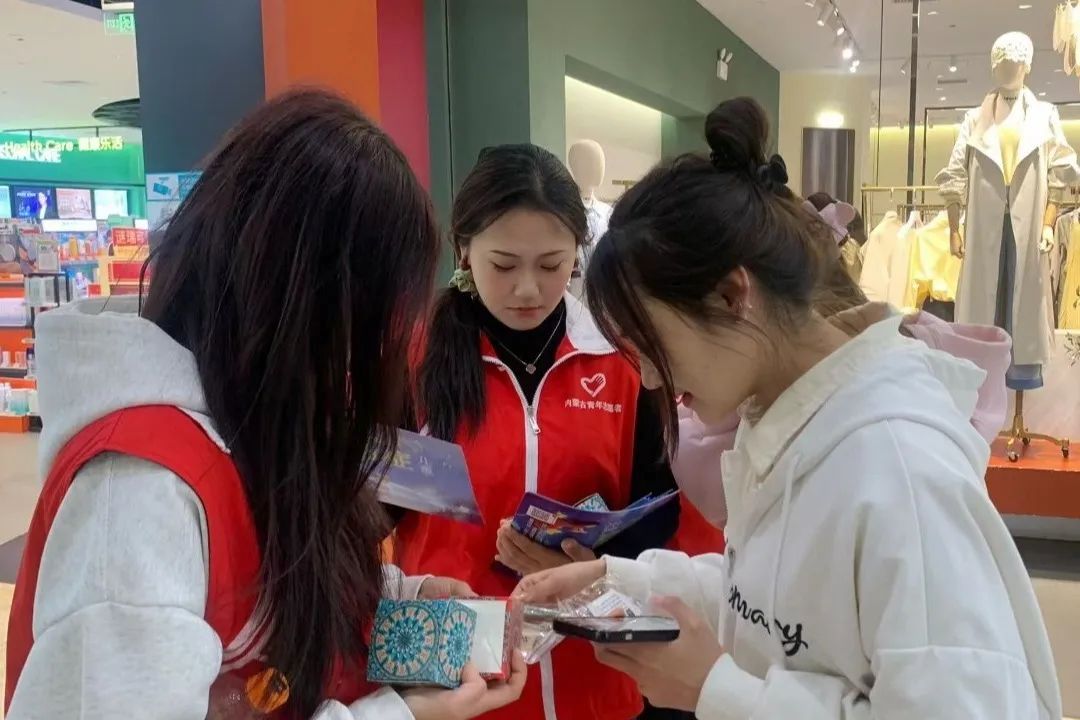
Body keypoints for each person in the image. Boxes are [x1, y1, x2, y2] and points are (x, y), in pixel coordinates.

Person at [516, 97, 1061, 719]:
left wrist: (717, 690)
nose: (647, 377)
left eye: (652, 344)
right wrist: (623, 582)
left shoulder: (900, 468)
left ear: (731, 295)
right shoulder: (789, 424)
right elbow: (774, 601)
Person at [5, 90, 524, 720]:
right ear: (306, 303)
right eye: (367, 325)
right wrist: (401, 715)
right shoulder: (141, 492)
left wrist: (395, 603)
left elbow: (271, 592)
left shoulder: (258, 418)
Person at [397, 143, 680, 720]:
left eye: (552, 265)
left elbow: (658, 504)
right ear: (464, 247)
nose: (527, 289)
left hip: (589, 670)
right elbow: (372, 516)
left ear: (577, 252)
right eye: (503, 265)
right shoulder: (412, 359)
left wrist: (590, 564)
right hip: (457, 674)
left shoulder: (619, 357)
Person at [672, 202, 1012, 531]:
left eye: (660, 336)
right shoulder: (840, 418)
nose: (652, 375)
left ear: (736, 298)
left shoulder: (889, 456)